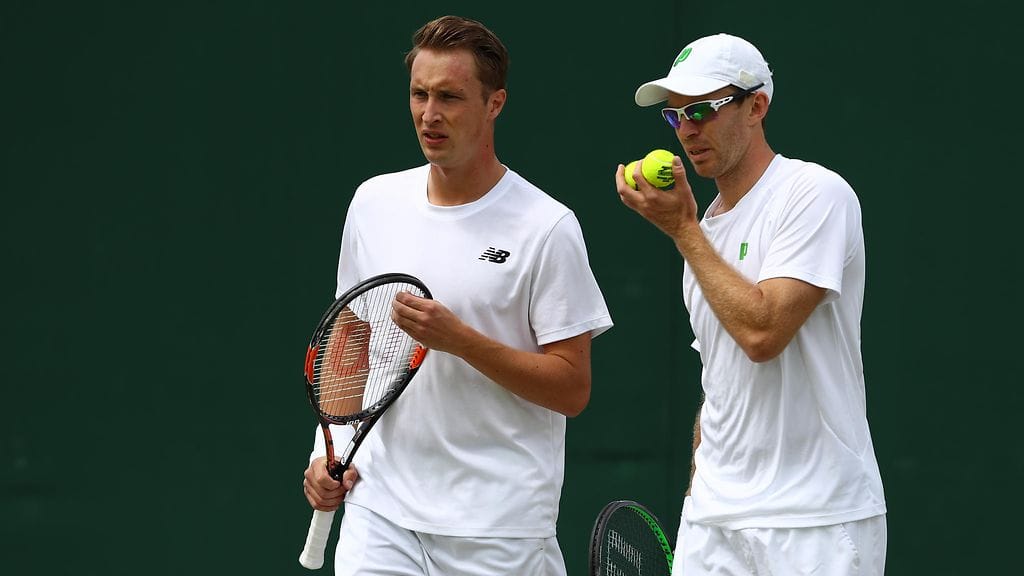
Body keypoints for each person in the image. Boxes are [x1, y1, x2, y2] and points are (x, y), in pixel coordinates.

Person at [302, 15, 613, 576]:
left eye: (450, 96)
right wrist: (326, 452)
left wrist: (460, 341)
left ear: (495, 103)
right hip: (381, 513)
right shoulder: (373, 203)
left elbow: (571, 388)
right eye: (419, 94)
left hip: (498, 529)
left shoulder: (547, 227)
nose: (429, 114)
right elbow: (352, 337)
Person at [616, 33, 886, 575]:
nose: (687, 130)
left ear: (756, 106)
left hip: (813, 522)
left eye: (702, 111)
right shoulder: (704, 226)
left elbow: (763, 333)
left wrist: (683, 230)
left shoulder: (815, 193)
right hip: (713, 521)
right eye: (675, 117)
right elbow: (721, 377)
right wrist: (701, 488)